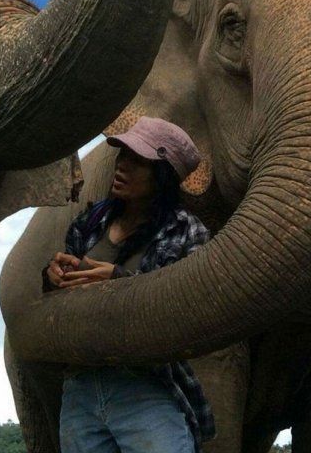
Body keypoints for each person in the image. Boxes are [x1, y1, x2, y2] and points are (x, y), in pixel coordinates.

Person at [44, 116, 215, 453]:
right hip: (81, 389)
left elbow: (188, 309)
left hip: (146, 388)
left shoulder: (188, 233)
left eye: (138, 161)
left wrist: (119, 282)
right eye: (123, 156)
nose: (122, 167)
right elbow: (59, 304)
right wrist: (53, 277)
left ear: (164, 175)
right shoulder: (90, 221)